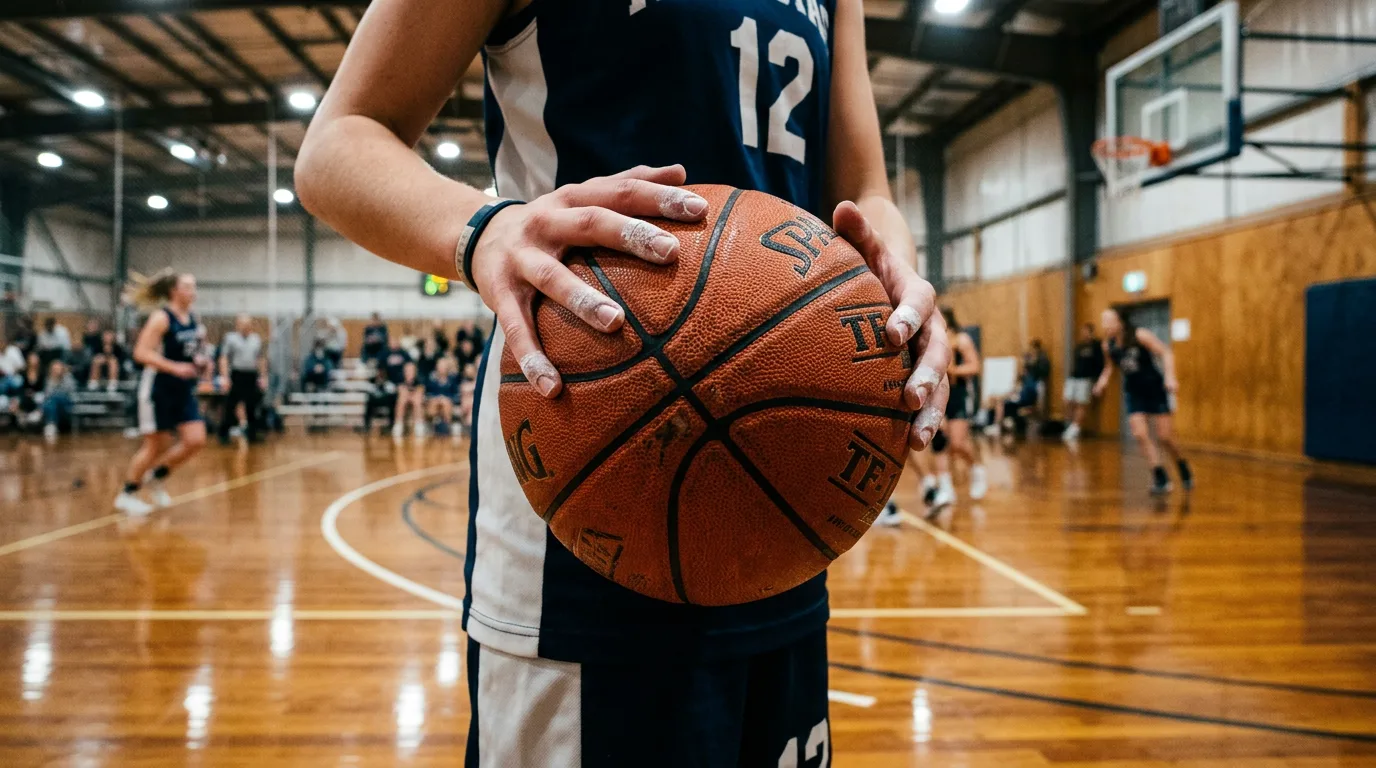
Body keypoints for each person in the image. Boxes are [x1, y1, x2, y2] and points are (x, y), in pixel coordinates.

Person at [296, 0, 951, 762]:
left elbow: (864, 189)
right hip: (585, 476)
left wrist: (896, 268)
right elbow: (338, 144)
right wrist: (484, 228)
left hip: (794, 489)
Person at [114, 271, 208, 517]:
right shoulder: (161, 318)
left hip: (183, 388)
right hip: (159, 388)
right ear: (174, 291)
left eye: (194, 286)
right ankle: (127, 493)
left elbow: (193, 350)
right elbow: (142, 353)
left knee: (195, 439)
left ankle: (156, 477)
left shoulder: (194, 318)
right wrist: (175, 367)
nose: (193, 291)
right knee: (156, 445)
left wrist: (202, 363)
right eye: (188, 287)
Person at [1093, 308, 1194, 495]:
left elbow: (1166, 353)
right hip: (1134, 392)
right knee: (1140, 433)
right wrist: (1102, 382)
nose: (1105, 325)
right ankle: (1160, 476)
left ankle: (1182, 465)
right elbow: (1109, 368)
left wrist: (1170, 377)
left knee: (1165, 437)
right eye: (1103, 320)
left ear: (1120, 321)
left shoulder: (1140, 335)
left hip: (1155, 389)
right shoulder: (1108, 345)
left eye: (1108, 320)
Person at [935, 307, 986, 503]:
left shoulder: (960, 340)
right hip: (937, 392)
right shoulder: (931, 340)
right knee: (939, 440)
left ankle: (976, 469)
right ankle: (946, 488)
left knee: (957, 442)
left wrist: (954, 370)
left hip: (958, 392)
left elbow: (974, 366)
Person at [218, 314, 266, 444]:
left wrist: (262, 376)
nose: (245, 326)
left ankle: (252, 433)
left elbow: (260, 358)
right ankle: (224, 433)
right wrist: (225, 377)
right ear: (238, 325)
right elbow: (224, 358)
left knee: (252, 405)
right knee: (231, 405)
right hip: (237, 375)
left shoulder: (256, 339)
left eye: (248, 324)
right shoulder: (231, 338)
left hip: (251, 375)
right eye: (242, 324)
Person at [1062, 322, 1104, 442]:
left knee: (1082, 403)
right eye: (1082, 331)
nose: (1084, 333)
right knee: (1067, 400)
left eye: (1086, 331)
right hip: (1074, 377)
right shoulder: (1079, 346)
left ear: (1091, 332)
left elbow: (1100, 364)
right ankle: (1070, 423)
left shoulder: (1096, 345)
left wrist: (1097, 380)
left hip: (1086, 379)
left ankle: (1076, 428)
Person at [426, 355, 462, 437]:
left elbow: (456, 396)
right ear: (436, 367)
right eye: (440, 366)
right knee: (435, 403)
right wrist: (437, 398)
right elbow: (427, 394)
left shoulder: (452, 379)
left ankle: (445, 427)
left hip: (448, 403)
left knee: (445, 403)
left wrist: (445, 399)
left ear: (447, 368)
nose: (442, 368)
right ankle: (434, 426)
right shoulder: (432, 380)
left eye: (444, 366)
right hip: (434, 403)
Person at [41, 359, 76, 440]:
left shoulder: (68, 377)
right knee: (51, 402)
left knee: (54, 399)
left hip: (67, 403)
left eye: (58, 368)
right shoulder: (49, 379)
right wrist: (54, 380)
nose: (57, 371)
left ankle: (49, 423)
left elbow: (70, 392)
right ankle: (51, 425)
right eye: (55, 369)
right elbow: (47, 394)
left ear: (62, 368)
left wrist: (58, 382)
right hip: (54, 405)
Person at [392, 361, 426, 440]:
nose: (409, 372)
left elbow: (420, 391)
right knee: (401, 400)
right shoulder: (399, 377)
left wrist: (410, 394)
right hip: (404, 398)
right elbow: (400, 390)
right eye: (407, 370)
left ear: (415, 371)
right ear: (404, 371)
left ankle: (419, 425)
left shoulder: (420, 378)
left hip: (416, 398)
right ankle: (398, 425)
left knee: (417, 400)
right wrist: (408, 394)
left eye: (411, 370)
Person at [1024, 339, 1051, 418]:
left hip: (1040, 381)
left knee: (1040, 400)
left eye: (1032, 348)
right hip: (1031, 383)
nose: (1031, 350)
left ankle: (1041, 417)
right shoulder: (1030, 358)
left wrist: (1034, 363)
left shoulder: (1043, 358)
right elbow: (1027, 370)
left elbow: (1044, 371)